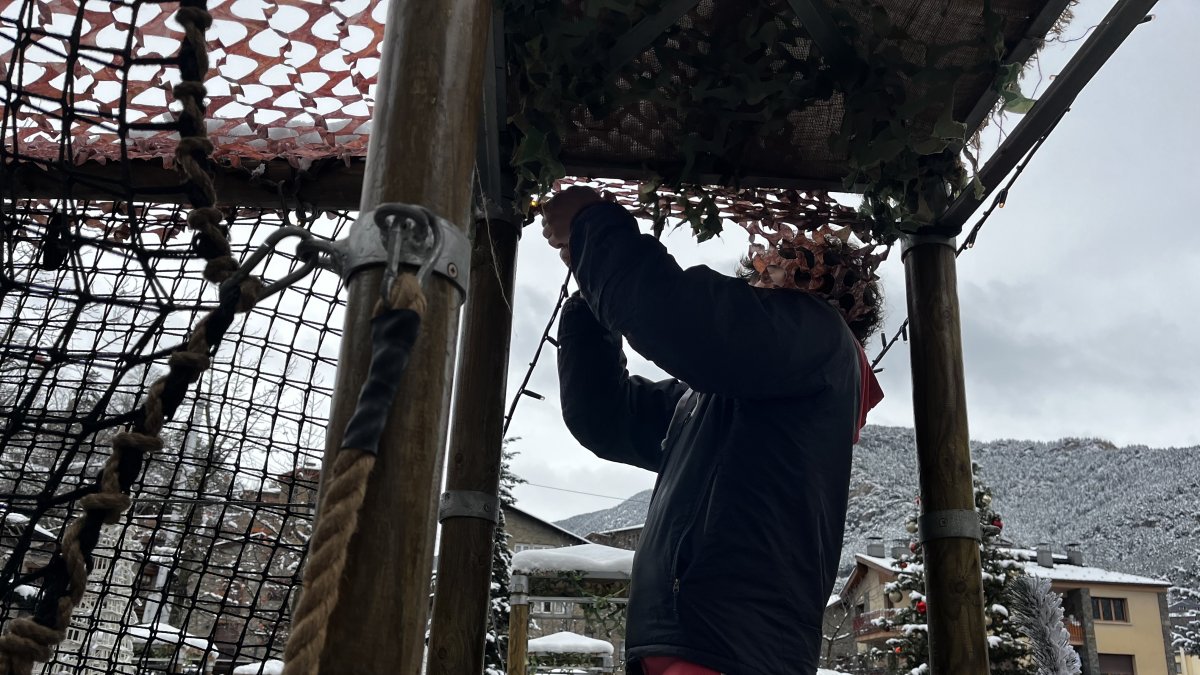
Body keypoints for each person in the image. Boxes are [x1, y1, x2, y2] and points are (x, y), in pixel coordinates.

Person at [542, 186, 885, 675]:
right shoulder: (717, 395)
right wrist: (591, 299)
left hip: (729, 648)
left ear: (822, 282)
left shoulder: (819, 335)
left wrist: (594, 228)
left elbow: (683, 321)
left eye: (780, 261)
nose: (762, 270)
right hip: (695, 644)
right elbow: (606, 417)